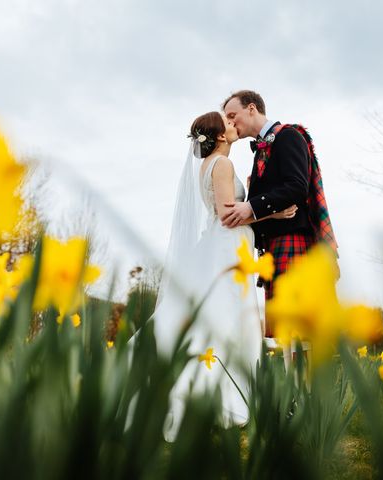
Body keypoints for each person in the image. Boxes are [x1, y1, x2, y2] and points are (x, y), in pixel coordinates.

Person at [152, 111, 297, 441]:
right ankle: (215, 397)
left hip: (223, 245)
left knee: (223, 317)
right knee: (228, 318)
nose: (234, 126)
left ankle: (224, 389)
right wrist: (276, 211)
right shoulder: (222, 164)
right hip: (228, 248)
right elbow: (229, 215)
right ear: (219, 136)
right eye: (228, 123)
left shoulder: (208, 166)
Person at [221, 90, 338, 338]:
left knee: (299, 332)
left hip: (292, 240)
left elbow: (297, 187)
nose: (230, 122)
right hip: (274, 247)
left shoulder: (289, 136)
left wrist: (251, 207)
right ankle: (292, 379)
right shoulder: (260, 151)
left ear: (251, 108)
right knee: (284, 337)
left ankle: (308, 379)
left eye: (233, 115)